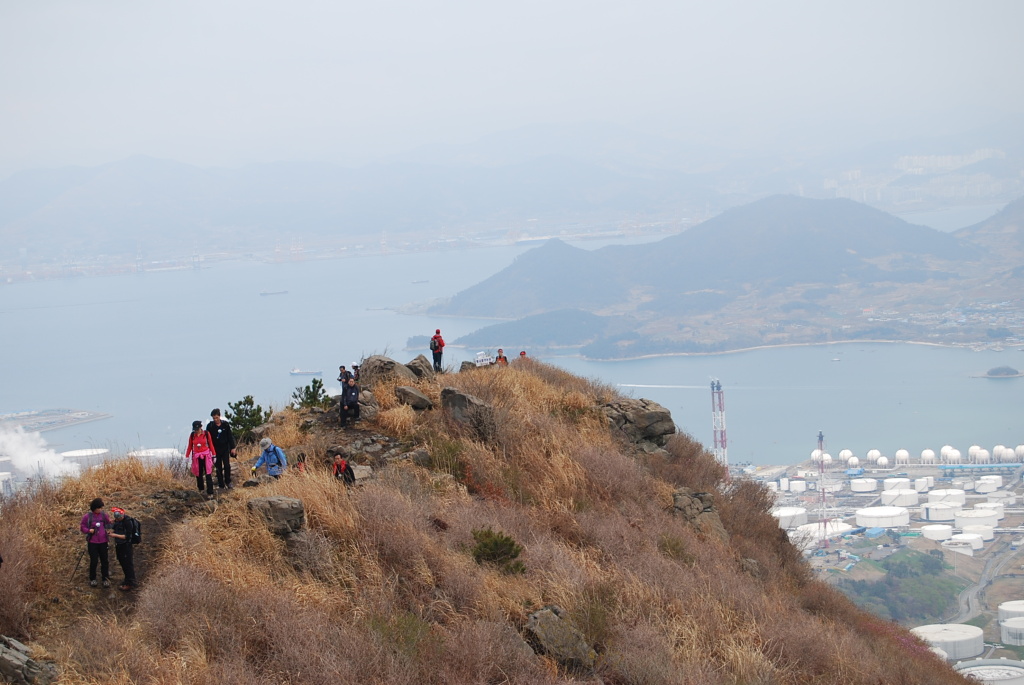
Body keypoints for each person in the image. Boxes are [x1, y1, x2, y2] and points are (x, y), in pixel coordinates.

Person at [80, 498, 111, 588]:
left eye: (101, 508)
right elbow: (82, 527)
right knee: (94, 561)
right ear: (95, 508)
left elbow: (108, 524)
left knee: (104, 560)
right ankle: (92, 578)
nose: (101, 509)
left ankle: (105, 578)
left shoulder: (104, 515)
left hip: (103, 541)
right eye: (99, 508)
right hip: (92, 542)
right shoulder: (87, 517)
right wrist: (89, 530)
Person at [206, 408, 237, 490]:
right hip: (215, 450)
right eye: (214, 418)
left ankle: (228, 481)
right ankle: (221, 484)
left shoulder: (225, 425)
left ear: (219, 416)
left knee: (227, 465)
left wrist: (233, 447)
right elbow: (208, 439)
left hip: (225, 448)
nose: (215, 419)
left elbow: (230, 436)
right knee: (218, 467)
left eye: (216, 417)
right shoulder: (210, 426)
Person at [109, 507, 137, 591]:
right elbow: (114, 527)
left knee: (128, 564)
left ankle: (130, 583)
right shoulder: (118, 521)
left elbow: (127, 536)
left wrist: (115, 535)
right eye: (116, 518)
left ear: (122, 515)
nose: (117, 519)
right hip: (119, 545)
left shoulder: (128, 522)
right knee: (123, 563)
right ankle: (127, 580)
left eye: (118, 518)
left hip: (126, 546)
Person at [185, 420, 215, 496]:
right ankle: (201, 488)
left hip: (205, 455)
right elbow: (190, 446)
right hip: (197, 456)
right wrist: (187, 456)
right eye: (195, 429)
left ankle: (210, 492)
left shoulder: (206, 434)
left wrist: (214, 454)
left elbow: (211, 444)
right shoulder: (192, 435)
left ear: (201, 427)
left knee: (208, 473)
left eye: (197, 429)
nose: (196, 431)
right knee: (199, 473)